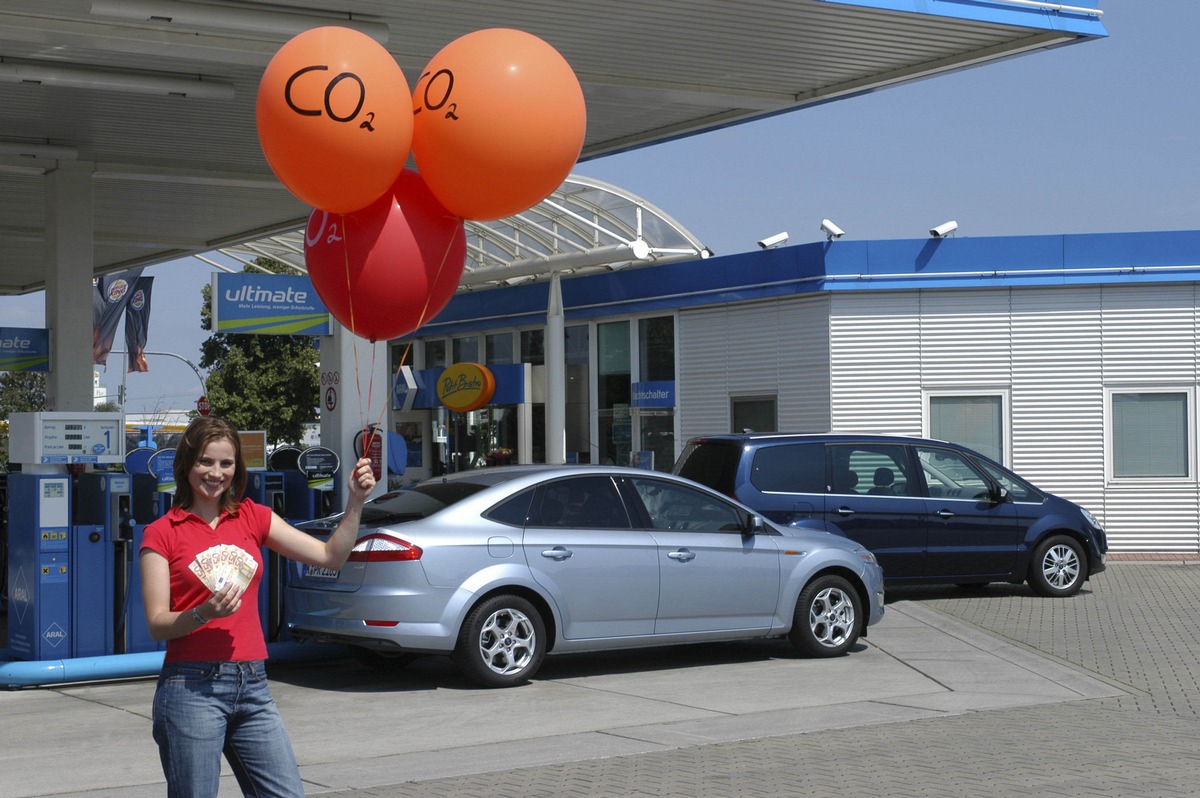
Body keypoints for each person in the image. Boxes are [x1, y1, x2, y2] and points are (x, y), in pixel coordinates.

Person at [140, 416, 376, 798]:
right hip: (190, 688)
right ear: (186, 465)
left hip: (252, 683)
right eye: (205, 461)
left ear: (237, 469)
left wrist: (355, 501)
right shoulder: (162, 532)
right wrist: (204, 612)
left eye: (226, 463)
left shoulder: (253, 516)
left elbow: (331, 556)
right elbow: (157, 623)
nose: (216, 473)